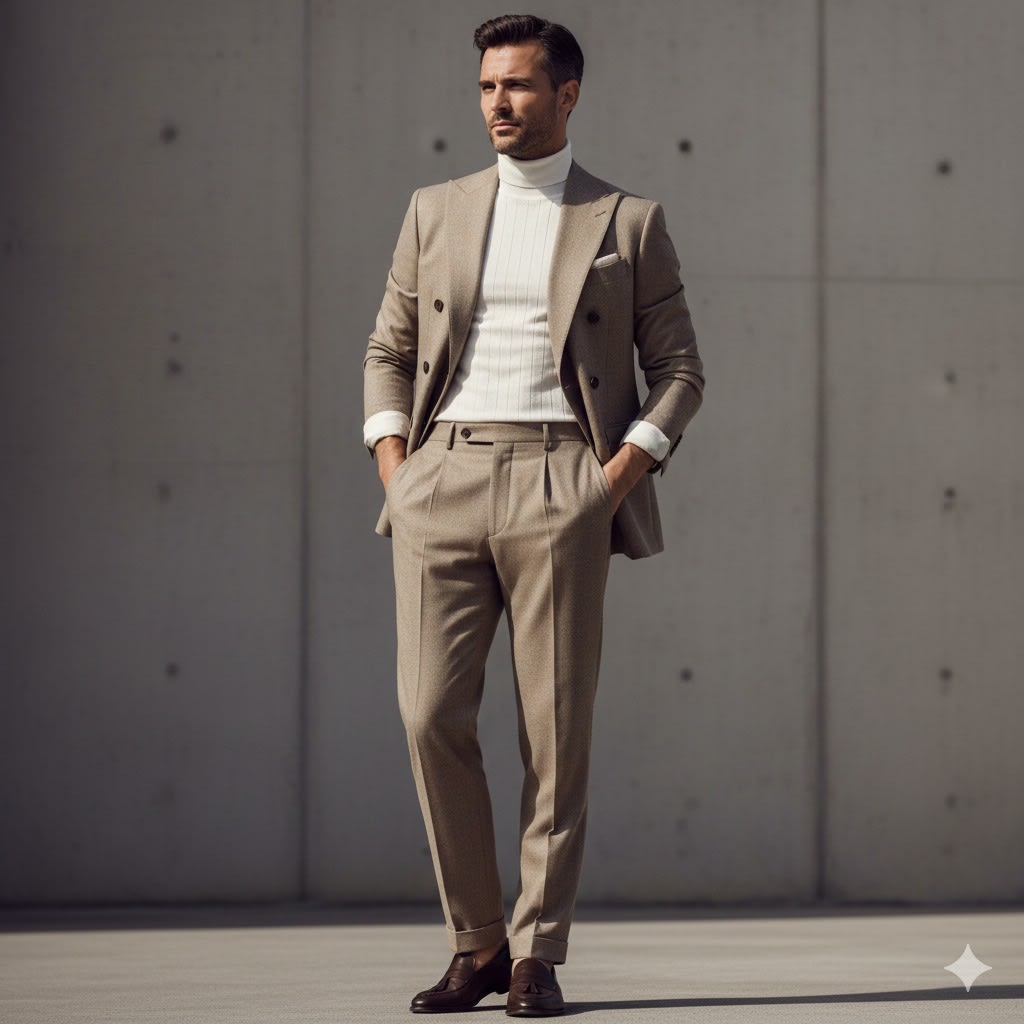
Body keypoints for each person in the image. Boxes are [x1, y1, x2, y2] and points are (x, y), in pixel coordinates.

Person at [363, 14, 704, 1016]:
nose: (497, 103)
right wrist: (397, 470)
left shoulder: (625, 220)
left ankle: (535, 954)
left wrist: (614, 479)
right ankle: (476, 942)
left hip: (563, 476)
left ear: (566, 94)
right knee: (429, 714)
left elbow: (680, 370)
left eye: (515, 85)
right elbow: (387, 348)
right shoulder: (434, 209)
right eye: (486, 86)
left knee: (554, 735)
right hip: (441, 476)